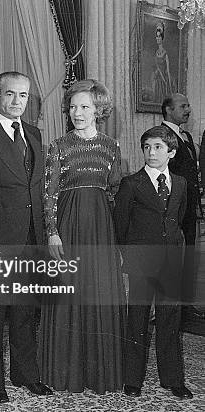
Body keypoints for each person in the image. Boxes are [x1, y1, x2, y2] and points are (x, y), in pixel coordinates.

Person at [40, 79, 125, 394]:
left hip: (101, 230)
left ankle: (99, 374)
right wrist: (52, 233)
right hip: (69, 229)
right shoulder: (59, 146)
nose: (77, 112)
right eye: (73, 106)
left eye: (85, 106)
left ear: (98, 110)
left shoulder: (111, 147)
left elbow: (115, 193)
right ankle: (68, 373)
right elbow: (49, 194)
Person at [0, 72, 52, 404]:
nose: (16, 102)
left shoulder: (34, 134)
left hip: (32, 239)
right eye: (10, 94)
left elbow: (36, 189)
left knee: (25, 313)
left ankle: (25, 374)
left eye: (23, 96)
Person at [114, 125, 193, 400]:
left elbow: (179, 218)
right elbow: (120, 225)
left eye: (158, 147)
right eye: (146, 147)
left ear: (171, 152)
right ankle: (132, 379)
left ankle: (172, 379)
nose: (151, 152)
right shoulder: (131, 184)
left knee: (170, 319)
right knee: (136, 319)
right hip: (141, 262)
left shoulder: (181, 184)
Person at [161, 94, 201, 315]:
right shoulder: (161, 136)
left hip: (188, 206)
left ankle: (185, 304)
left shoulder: (185, 136)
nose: (188, 109)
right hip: (173, 207)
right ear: (168, 109)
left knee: (189, 252)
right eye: (183, 106)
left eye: (188, 105)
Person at [150, 22, 172, 103]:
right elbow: (156, 68)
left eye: (159, 36)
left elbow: (168, 71)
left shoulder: (165, 54)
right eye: (156, 36)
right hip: (157, 80)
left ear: (162, 38)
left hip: (163, 81)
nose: (157, 38)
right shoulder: (156, 53)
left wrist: (168, 85)